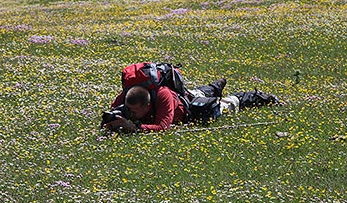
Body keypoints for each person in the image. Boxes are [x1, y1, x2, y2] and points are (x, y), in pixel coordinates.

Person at [103, 78, 278, 133]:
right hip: (187, 95)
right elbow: (110, 114)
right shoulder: (127, 97)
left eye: (134, 111)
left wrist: (135, 127)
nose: (129, 113)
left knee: (224, 105)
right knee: (197, 92)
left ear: (147, 105)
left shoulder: (162, 97)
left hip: (189, 110)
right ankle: (215, 86)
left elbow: (163, 126)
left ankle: (257, 97)